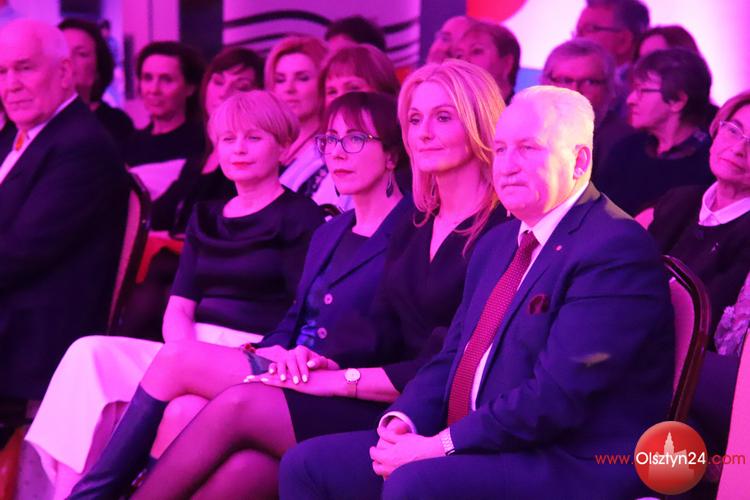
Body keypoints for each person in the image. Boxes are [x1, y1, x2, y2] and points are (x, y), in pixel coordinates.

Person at [130, 60, 508, 500]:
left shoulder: (501, 229)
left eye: (443, 117)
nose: (424, 132)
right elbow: (380, 328)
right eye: (415, 119)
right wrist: (318, 361)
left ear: (478, 123)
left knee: (239, 402)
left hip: (425, 411)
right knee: (243, 465)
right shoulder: (417, 221)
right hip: (373, 390)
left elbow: (451, 359)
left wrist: (342, 379)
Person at [279, 85, 674, 499]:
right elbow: (452, 355)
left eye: (528, 149)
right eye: (500, 150)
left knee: (414, 483)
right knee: (307, 465)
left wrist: (440, 446)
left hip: (569, 460)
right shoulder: (498, 242)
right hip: (482, 442)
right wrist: (403, 422)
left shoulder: (613, 247)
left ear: (579, 161)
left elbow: (556, 396)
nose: (508, 165)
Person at [67, 90, 411, 499]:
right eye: (330, 140)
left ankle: (92, 495)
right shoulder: (331, 230)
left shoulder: (412, 233)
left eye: (354, 139)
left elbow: (408, 344)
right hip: (289, 370)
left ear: (392, 155)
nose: (337, 152)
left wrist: (326, 367)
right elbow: (294, 317)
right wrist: (276, 349)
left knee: (178, 359)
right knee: (183, 410)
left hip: (346, 391)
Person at [28, 91, 325, 499]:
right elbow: (179, 308)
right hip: (185, 350)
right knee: (88, 352)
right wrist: (185, 356)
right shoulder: (206, 215)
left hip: (251, 351)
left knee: (176, 392)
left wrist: (197, 362)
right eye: (228, 139)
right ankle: (66, 492)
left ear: (284, 146)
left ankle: (96, 493)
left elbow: (301, 309)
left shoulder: (302, 216)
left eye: (253, 138)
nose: (239, 149)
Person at [0, 19, 129, 401]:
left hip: (30, 337)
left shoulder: (81, 146)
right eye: (1, 72)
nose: (10, 85)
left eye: (24, 68)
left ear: (64, 72)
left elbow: (18, 255)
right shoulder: (19, 134)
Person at [647, 93, 750, 487]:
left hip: (700, 384)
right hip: (643, 361)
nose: (739, 148)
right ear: (716, 130)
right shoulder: (679, 200)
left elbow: (718, 333)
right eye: (734, 130)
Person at [597, 48, 715, 215]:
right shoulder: (626, 148)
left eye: (642, 91)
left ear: (677, 100)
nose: (630, 100)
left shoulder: (709, 164)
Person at [124, 41, 206, 222]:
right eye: (147, 78)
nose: (154, 90)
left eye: (166, 80)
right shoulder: (129, 144)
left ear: (190, 88)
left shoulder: (204, 142)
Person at [541, 38, 634, 180]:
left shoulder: (625, 145)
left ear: (610, 89)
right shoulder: (523, 133)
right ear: (545, 84)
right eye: (565, 80)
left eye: (590, 82)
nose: (575, 91)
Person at [265, 36, 340, 206]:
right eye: (280, 80)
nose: (289, 88)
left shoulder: (332, 151)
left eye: (302, 78)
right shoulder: (264, 142)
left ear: (324, 83)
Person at [58, 18, 134, 151]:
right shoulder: (34, 120)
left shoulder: (116, 124)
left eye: (81, 54)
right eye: (62, 52)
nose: (68, 60)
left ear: (98, 66)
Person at [454, 21, 519, 103]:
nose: (464, 62)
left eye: (476, 51)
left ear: (507, 63)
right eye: (459, 55)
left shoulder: (522, 110)